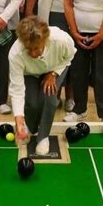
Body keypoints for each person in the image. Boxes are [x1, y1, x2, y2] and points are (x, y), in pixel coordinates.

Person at [9, 16, 76, 155]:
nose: (33, 53)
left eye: (36, 48)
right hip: (30, 72)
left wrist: (53, 74)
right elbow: (17, 90)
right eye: (29, 49)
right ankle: (29, 127)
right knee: (32, 103)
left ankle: (43, 136)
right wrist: (19, 122)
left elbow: (69, 56)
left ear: (45, 39)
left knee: (49, 100)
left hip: (55, 67)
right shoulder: (15, 54)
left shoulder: (62, 40)